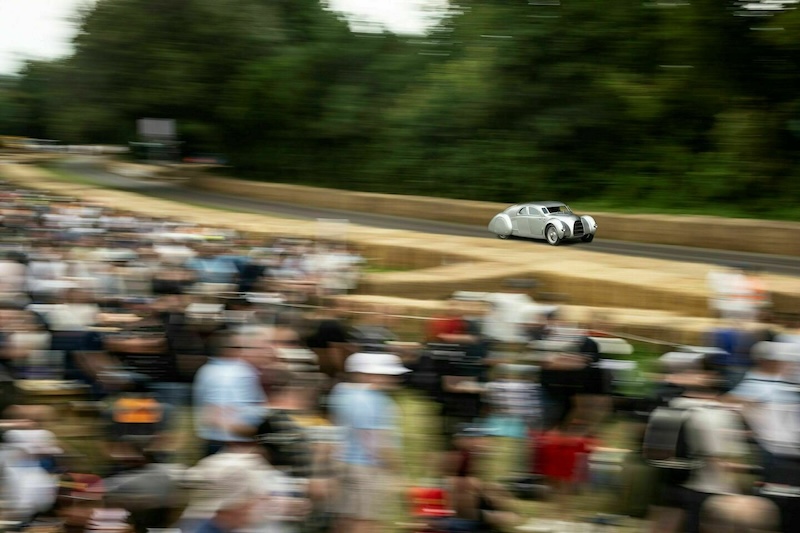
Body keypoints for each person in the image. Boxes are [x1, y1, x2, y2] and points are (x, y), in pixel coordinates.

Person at [328, 351, 408, 533]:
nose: (393, 379)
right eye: (388, 375)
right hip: (368, 470)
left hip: (342, 463)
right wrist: (396, 471)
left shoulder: (341, 392)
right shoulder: (374, 400)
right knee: (367, 523)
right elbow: (377, 442)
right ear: (369, 374)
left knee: (344, 519)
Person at [193, 326, 268, 457]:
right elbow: (219, 417)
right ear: (230, 349)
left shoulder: (207, 369)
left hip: (217, 443)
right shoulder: (237, 372)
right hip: (235, 448)